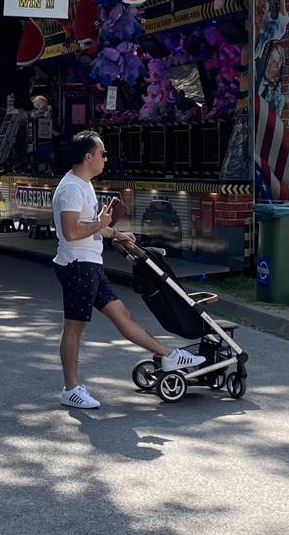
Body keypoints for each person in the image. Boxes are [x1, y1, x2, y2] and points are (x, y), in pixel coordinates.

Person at [53, 131, 203, 409]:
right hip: (77, 266)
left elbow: (92, 226)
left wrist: (115, 234)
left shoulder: (84, 184)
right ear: (88, 157)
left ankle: (168, 354)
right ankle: (71, 388)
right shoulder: (72, 188)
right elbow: (72, 232)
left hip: (90, 264)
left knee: (123, 315)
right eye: (103, 153)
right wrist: (101, 225)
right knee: (73, 329)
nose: (106, 159)